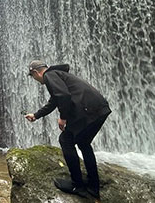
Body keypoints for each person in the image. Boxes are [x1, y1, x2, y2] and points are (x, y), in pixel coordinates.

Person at [25, 60, 111, 200]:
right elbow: (55, 100)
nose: (35, 80)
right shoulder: (58, 74)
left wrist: (63, 117)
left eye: (33, 77)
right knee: (83, 143)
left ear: (35, 72)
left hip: (87, 110)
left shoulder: (49, 75)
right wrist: (36, 115)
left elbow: (63, 96)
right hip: (99, 109)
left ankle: (78, 185)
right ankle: (93, 186)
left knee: (65, 140)